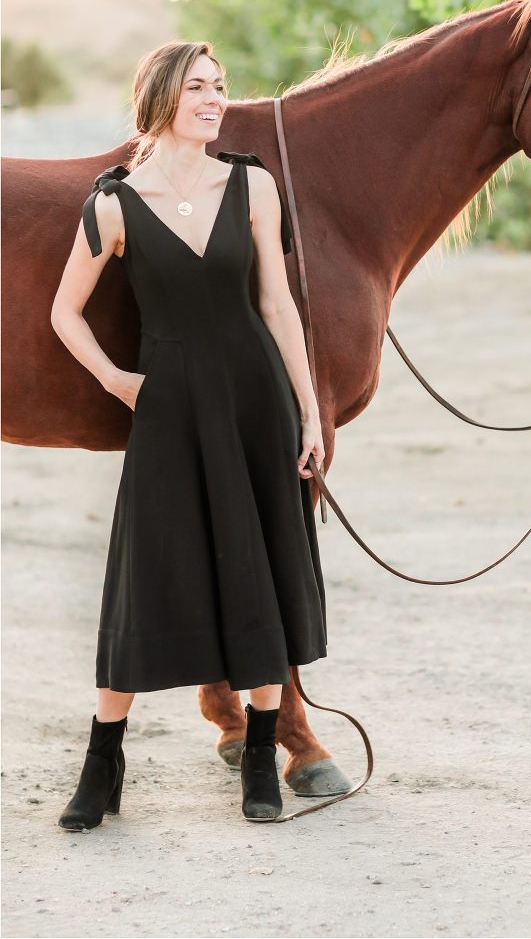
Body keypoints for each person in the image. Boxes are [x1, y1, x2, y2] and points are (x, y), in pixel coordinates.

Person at [50, 41, 327, 828]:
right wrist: (118, 381)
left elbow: (277, 305)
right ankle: (103, 763)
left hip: (253, 400)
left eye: (221, 87)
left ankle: (261, 761)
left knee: (259, 565)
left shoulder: (252, 185)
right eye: (199, 87)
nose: (216, 99)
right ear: (163, 96)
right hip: (168, 407)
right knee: (142, 576)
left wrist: (308, 411)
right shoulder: (113, 203)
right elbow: (64, 312)